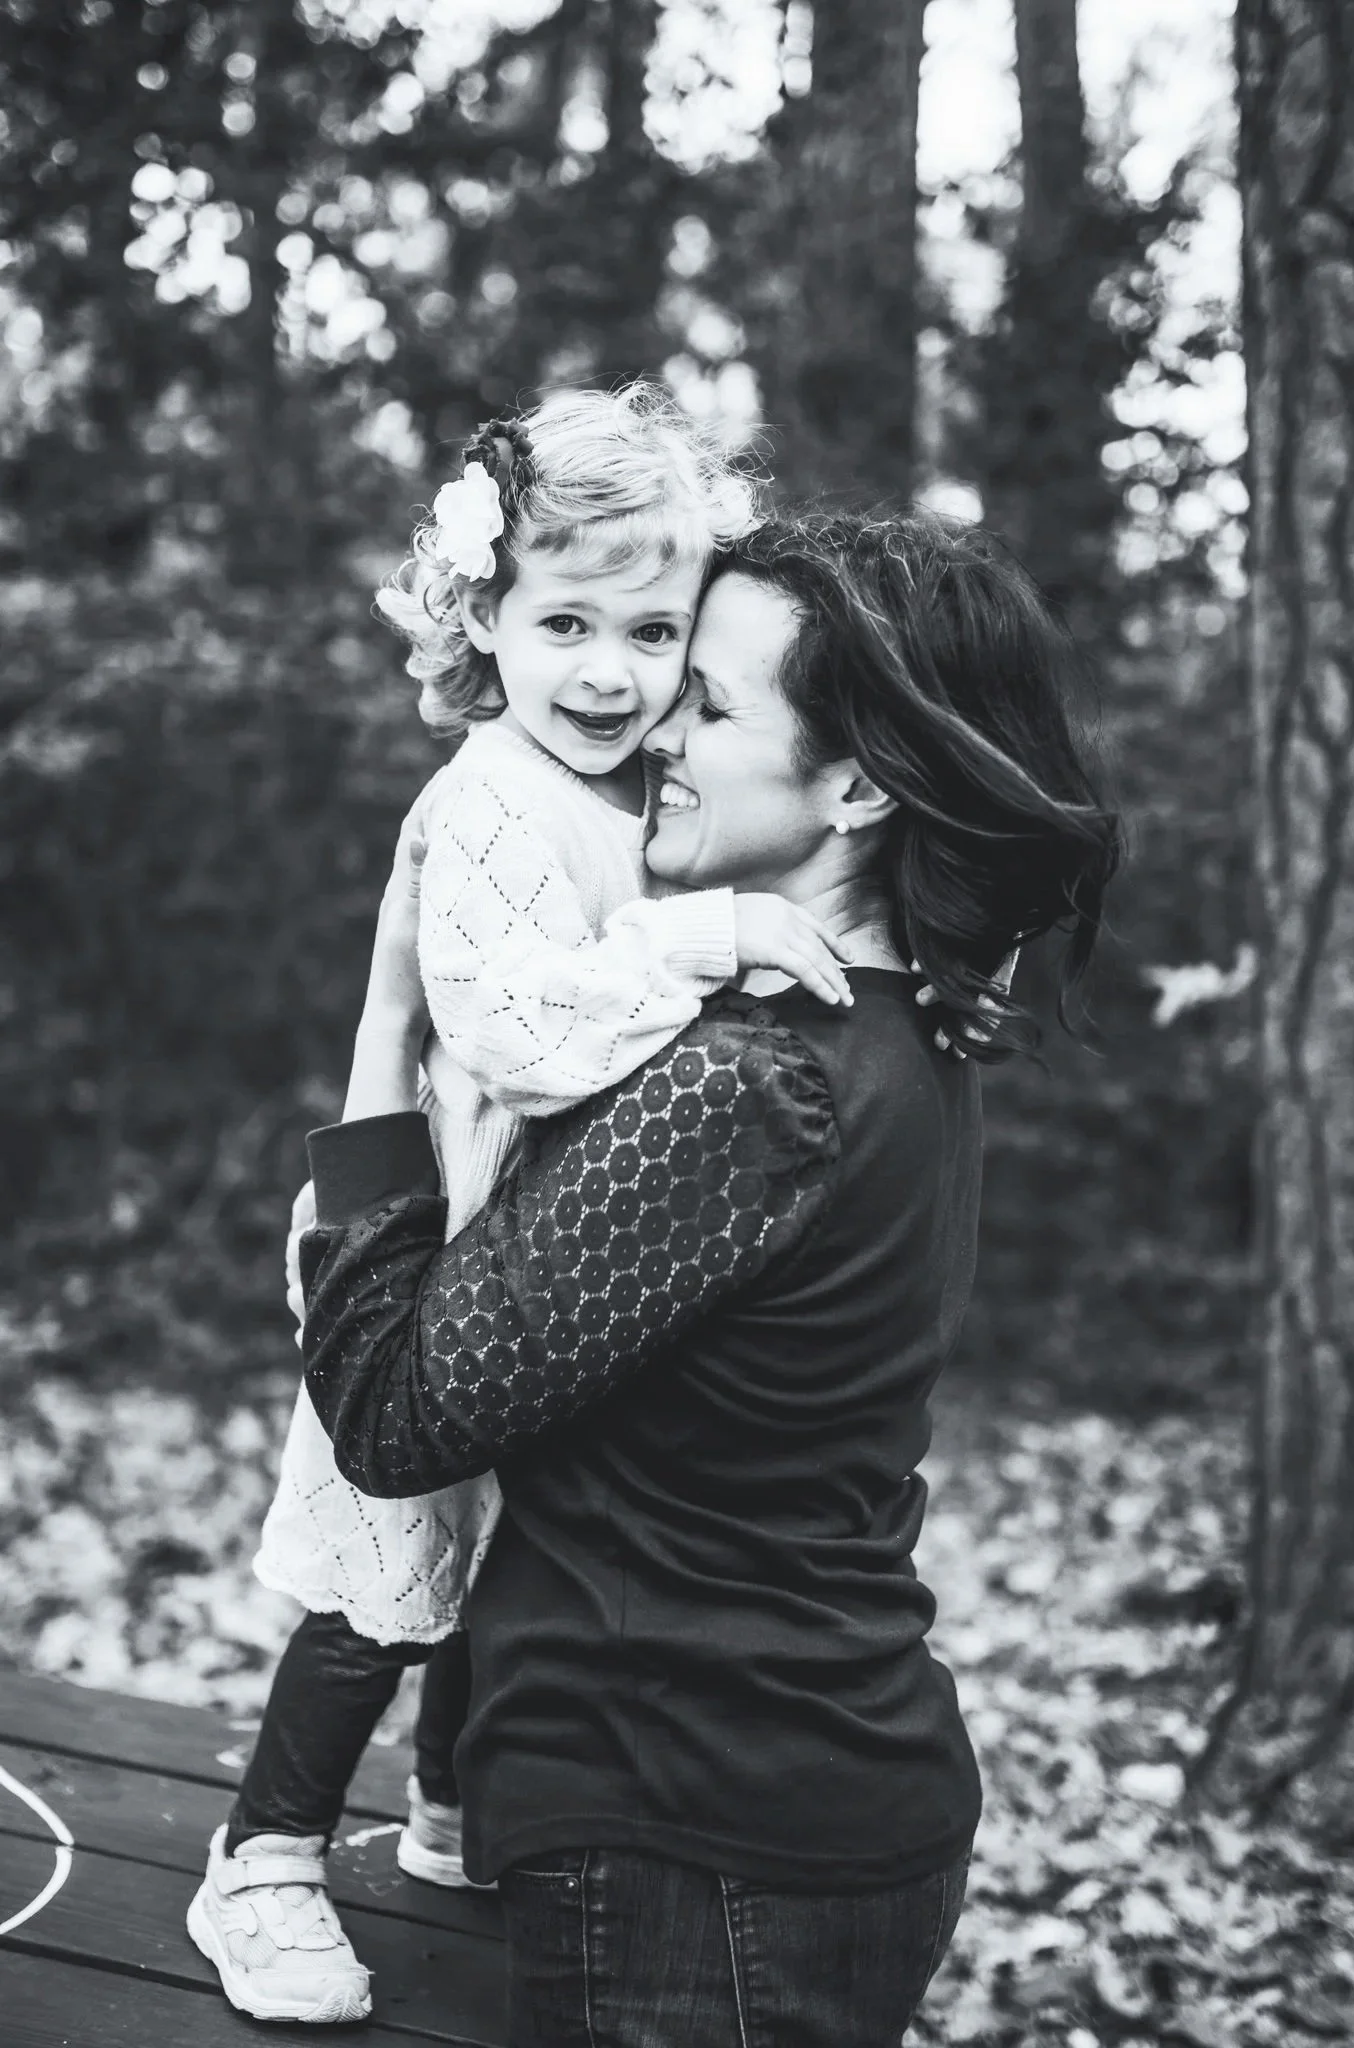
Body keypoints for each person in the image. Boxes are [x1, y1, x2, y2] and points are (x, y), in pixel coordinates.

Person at [292, 509, 1123, 2047]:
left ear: (859, 784)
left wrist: (385, 1030)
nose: (655, 722)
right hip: (772, 1804)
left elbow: (396, 1415)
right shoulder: (893, 1028)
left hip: (700, 1840)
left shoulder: (752, 1086)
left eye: (712, 702)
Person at [189, 388, 860, 2027]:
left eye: (652, 629)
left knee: (520, 1545)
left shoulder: (646, 792)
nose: (613, 672)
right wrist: (711, 944)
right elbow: (515, 1034)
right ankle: (263, 1855)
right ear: (484, 617)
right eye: (566, 622)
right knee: (390, 1567)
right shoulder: (490, 794)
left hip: (551, 1252)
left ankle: (450, 1813)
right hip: (421, 1241)